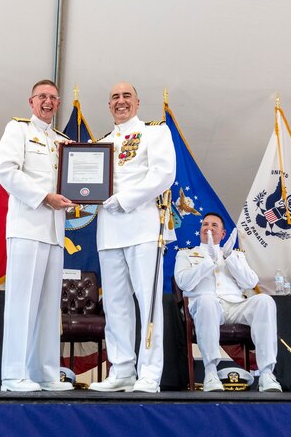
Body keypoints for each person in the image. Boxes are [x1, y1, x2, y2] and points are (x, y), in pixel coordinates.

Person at [88, 82, 176, 393]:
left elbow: (164, 173)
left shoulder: (155, 132)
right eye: (115, 97)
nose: (121, 101)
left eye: (127, 96)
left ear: (137, 103)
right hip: (109, 230)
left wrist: (126, 199)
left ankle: (149, 373)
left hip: (142, 226)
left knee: (148, 301)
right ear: (108, 105)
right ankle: (122, 369)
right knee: (115, 304)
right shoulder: (99, 144)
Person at [0, 79, 75, 392]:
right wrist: (45, 196)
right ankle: (13, 375)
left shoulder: (62, 140)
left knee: (47, 306)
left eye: (53, 98)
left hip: (55, 230)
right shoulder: (17, 130)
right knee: (22, 302)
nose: (48, 102)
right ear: (31, 102)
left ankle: (44, 373)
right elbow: (7, 171)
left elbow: (73, 180)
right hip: (27, 226)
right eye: (42, 96)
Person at [174, 212, 282, 392]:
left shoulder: (235, 255)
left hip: (235, 306)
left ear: (223, 234)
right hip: (206, 307)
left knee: (265, 301)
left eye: (214, 225)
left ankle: (266, 374)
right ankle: (210, 373)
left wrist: (230, 257)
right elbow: (183, 282)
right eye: (205, 225)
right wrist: (207, 261)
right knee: (207, 300)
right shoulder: (186, 254)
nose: (208, 228)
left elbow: (250, 282)